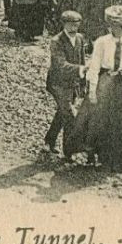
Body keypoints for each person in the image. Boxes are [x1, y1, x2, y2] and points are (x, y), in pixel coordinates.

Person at [78, 3, 122, 172]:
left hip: (118, 83)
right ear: (109, 25)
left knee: (119, 121)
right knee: (98, 117)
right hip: (103, 81)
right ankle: (95, 154)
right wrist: (92, 91)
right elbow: (95, 66)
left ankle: (117, 160)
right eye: (114, 26)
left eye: (121, 27)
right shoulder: (102, 42)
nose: (118, 30)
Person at [44, 10, 89, 157]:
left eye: (76, 24)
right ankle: (68, 151)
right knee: (69, 115)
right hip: (58, 83)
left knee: (62, 113)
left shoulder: (80, 39)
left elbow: (82, 59)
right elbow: (60, 65)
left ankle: (49, 140)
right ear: (64, 24)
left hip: (73, 83)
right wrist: (80, 69)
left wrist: (82, 83)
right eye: (70, 24)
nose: (73, 28)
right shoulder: (56, 41)